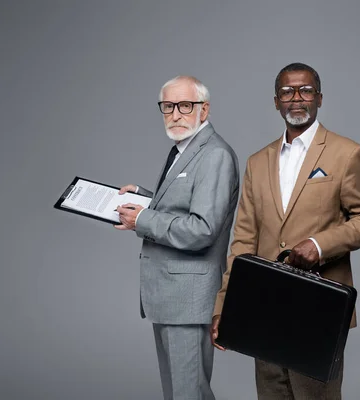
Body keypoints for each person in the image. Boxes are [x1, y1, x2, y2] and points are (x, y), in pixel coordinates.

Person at [210, 62, 360, 399]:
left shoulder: (347, 153)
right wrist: (223, 305)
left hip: (319, 309)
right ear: (276, 101)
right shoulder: (257, 161)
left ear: (320, 98)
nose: (297, 98)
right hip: (263, 307)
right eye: (287, 91)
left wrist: (319, 244)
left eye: (306, 90)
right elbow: (242, 241)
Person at [115, 75, 239, 400]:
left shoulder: (214, 155)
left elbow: (202, 229)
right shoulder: (184, 149)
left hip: (188, 299)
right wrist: (144, 199)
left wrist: (143, 218)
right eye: (168, 106)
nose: (176, 114)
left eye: (185, 105)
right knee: (179, 394)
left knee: (188, 395)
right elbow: (182, 203)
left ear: (204, 109)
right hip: (171, 297)